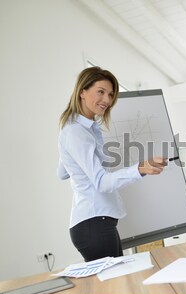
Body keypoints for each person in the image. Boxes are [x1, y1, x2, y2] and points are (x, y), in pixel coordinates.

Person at [57, 66, 167, 262]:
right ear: (82, 91)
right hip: (93, 225)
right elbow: (101, 182)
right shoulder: (76, 132)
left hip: (97, 224)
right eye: (101, 92)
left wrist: (71, 154)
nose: (107, 100)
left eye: (110, 94)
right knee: (115, 290)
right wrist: (140, 168)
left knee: (116, 286)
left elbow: (62, 173)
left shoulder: (82, 129)